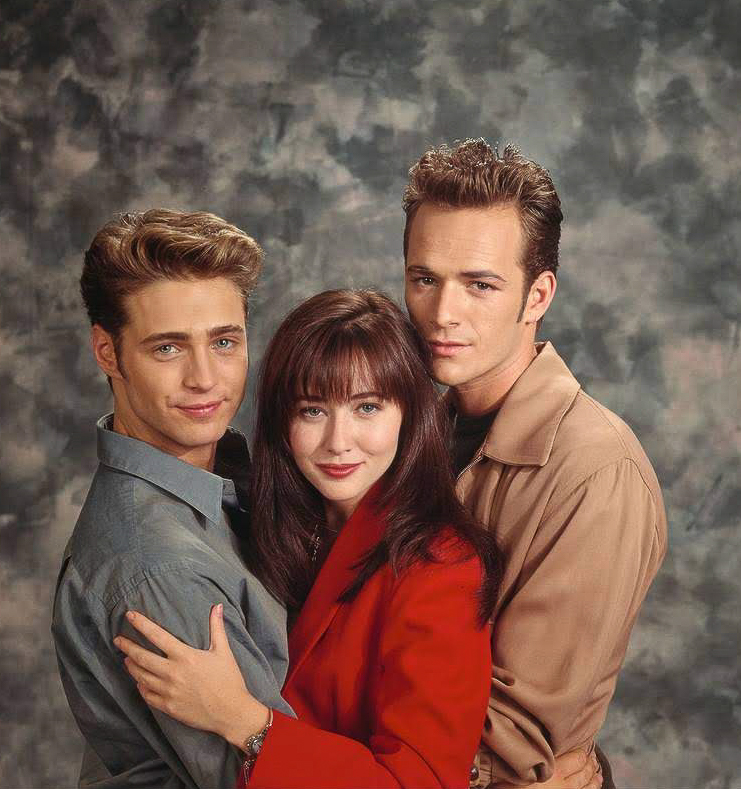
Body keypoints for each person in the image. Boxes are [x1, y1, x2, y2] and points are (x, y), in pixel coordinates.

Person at [114, 290, 603, 789]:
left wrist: (245, 723)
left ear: (409, 415)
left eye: (367, 407)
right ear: (282, 422)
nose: (338, 441)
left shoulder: (439, 567)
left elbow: (419, 784)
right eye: (312, 411)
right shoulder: (267, 524)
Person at [402, 139, 668, 788]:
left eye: (480, 285)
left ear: (537, 294)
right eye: (423, 278)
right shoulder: (412, 432)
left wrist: (280, 738)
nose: (442, 313)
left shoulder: (594, 471)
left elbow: (511, 738)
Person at [51, 210, 293, 789]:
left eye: (225, 341)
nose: (205, 378)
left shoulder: (222, 492)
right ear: (108, 353)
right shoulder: (162, 568)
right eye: (168, 349)